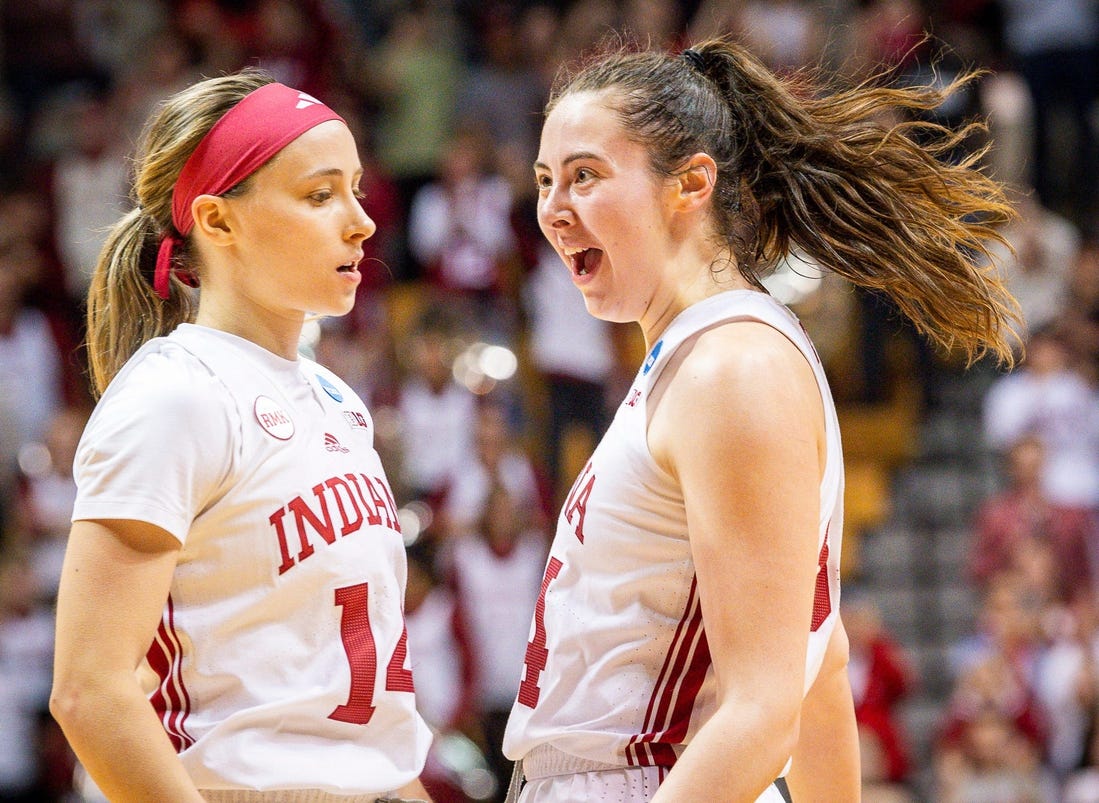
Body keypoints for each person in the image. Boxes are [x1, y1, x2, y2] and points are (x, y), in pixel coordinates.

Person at [502, 36, 1021, 803]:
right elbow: (821, 663)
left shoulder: (729, 368)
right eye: (545, 180)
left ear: (690, 184)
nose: (553, 207)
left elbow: (761, 711)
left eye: (585, 176)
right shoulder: (703, 360)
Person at [47, 70, 433, 802]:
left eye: (355, 188)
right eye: (320, 195)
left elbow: (366, 722)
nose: (361, 221)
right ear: (218, 221)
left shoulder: (338, 401)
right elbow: (89, 691)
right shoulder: (174, 394)